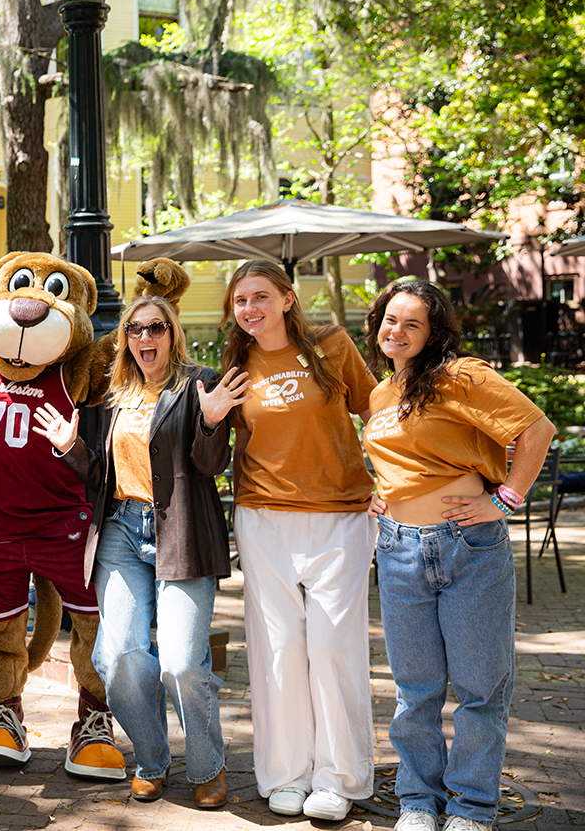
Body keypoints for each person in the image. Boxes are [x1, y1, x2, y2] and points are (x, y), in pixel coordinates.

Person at [32, 296, 248, 806]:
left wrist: (212, 421)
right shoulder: (115, 396)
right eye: (135, 330)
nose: (145, 338)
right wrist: (71, 448)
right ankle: (152, 758)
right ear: (126, 339)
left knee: (180, 664)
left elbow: (211, 466)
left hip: (183, 533)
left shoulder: (199, 384)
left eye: (155, 328)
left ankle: (207, 764)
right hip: (122, 534)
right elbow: (99, 480)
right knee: (119, 657)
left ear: (172, 333)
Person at [362, 280, 554, 831]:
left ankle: (471, 806)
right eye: (389, 319)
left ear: (434, 332)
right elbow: (401, 459)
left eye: (412, 323)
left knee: (479, 686)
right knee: (414, 689)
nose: (396, 330)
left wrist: (506, 499)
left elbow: (536, 429)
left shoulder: (461, 376)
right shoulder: (381, 394)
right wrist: (385, 491)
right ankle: (419, 801)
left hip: (467, 547)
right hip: (398, 549)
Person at [221, 259, 378, 821]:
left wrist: (393, 482)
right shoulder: (235, 363)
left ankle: (340, 777)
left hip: (341, 516)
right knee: (280, 650)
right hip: (264, 518)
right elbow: (219, 441)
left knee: (333, 648)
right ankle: (286, 774)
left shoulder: (333, 346)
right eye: (240, 301)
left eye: (260, 296)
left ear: (288, 299)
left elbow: (379, 413)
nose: (249, 309)